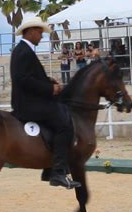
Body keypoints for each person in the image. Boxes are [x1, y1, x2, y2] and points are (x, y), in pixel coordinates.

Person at [10, 17, 81, 189]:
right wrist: (51, 90)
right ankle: (56, 171)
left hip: (31, 100)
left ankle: (49, 168)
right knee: (64, 124)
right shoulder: (24, 52)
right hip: (28, 104)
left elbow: (31, 77)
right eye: (40, 32)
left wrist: (48, 81)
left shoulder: (24, 50)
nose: (41, 36)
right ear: (31, 31)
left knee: (61, 111)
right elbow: (24, 80)